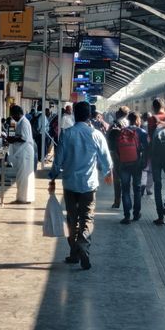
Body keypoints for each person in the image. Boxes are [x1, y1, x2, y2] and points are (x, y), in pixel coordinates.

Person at [49, 101, 112, 270]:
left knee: (72, 219)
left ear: (74, 115)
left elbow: (58, 160)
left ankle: (74, 253)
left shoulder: (66, 134)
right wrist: (107, 173)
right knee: (87, 218)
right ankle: (83, 244)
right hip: (89, 184)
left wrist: (52, 175)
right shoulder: (96, 134)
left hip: (70, 184)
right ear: (90, 115)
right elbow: (106, 159)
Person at [118, 112, 147, 224]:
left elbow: (117, 148)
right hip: (137, 163)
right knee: (137, 188)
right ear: (136, 120)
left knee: (125, 189)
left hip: (124, 163)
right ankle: (136, 213)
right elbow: (146, 148)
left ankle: (126, 216)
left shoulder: (123, 131)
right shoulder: (142, 132)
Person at [5, 105, 35, 204]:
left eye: (13, 115)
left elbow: (24, 138)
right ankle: (22, 198)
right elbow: (16, 134)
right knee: (21, 175)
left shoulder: (24, 123)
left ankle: (24, 198)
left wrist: (12, 139)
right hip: (22, 152)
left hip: (25, 152)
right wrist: (11, 136)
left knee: (24, 176)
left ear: (17, 114)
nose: (12, 117)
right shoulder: (19, 122)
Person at [107, 106, 129, 209]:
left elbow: (109, 137)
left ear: (119, 113)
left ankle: (117, 201)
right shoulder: (129, 123)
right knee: (127, 177)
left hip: (116, 152)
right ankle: (127, 200)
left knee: (117, 178)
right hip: (128, 152)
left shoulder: (115, 123)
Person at [140, 112, 153, 196]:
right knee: (151, 171)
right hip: (152, 151)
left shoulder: (141, 127)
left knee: (144, 170)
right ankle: (148, 189)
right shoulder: (153, 127)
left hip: (143, 151)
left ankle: (142, 185)